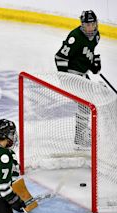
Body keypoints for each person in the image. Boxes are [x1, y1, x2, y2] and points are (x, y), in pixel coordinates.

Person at [54, 10, 101, 148]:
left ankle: (81, 134)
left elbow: (87, 54)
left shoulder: (96, 36)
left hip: (82, 74)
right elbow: (60, 57)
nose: (90, 27)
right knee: (86, 103)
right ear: (82, 25)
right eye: (87, 25)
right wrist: (66, 77)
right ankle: (80, 136)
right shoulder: (75, 37)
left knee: (89, 103)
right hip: (72, 75)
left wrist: (94, 64)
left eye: (93, 24)